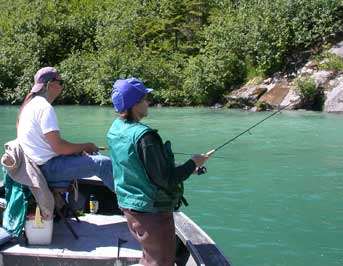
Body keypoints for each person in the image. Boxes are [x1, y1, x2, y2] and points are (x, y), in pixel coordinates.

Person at [107, 77, 214, 266]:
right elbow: (166, 179)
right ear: (134, 104)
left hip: (130, 207)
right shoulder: (145, 136)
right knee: (161, 262)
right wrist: (193, 162)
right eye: (145, 98)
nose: (148, 102)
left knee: (149, 257)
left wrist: (191, 168)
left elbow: (144, 167)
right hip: (151, 213)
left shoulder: (116, 129)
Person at [16, 66, 114, 190]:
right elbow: (59, 147)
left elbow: (53, 146)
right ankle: (130, 206)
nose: (62, 87)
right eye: (61, 82)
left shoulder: (29, 105)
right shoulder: (44, 108)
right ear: (50, 84)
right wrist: (86, 146)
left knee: (93, 154)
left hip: (36, 165)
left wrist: (81, 150)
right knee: (104, 164)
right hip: (47, 168)